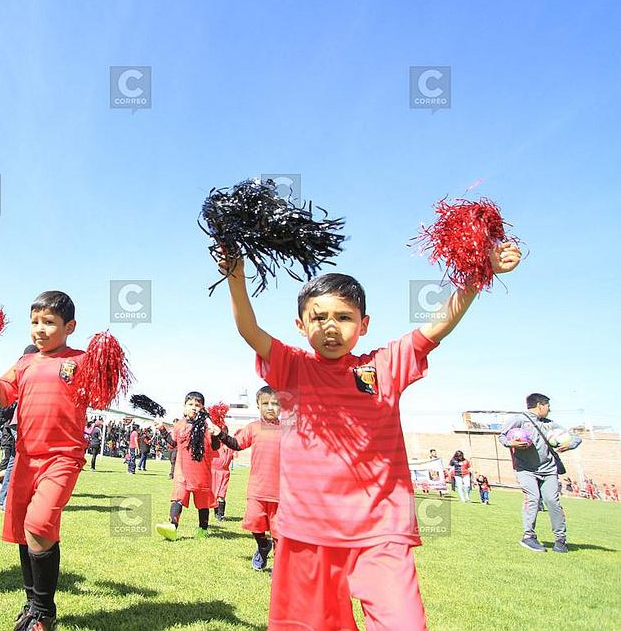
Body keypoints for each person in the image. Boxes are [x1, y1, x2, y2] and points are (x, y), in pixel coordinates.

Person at [219, 241, 521, 630]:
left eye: (344, 318)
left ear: (364, 325)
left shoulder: (385, 366)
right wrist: (235, 275)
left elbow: (437, 326)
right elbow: (249, 329)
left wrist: (480, 274)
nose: (331, 327)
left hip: (381, 531)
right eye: (319, 318)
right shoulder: (291, 367)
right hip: (307, 530)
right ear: (300, 325)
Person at [0, 291, 92, 631]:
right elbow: (2, 393)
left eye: (49, 322)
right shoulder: (25, 362)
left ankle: (44, 613)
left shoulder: (82, 360)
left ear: (70, 326)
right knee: (26, 531)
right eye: (34, 322)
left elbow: (103, 389)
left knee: (38, 524)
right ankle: (34, 605)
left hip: (62, 457)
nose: (40, 329)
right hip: (25, 457)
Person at [499, 393, 581, 553]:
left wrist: (569, 444)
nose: (549, 409)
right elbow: (502, 436)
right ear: (539, 405)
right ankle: (528, 536)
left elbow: (575, 437)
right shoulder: (519, 420)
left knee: (552, 501)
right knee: (533, 498)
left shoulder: (550, 424)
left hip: (549, 470)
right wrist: (511, 443)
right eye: (548, 406)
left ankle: (560, 539)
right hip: (525, 469)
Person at [216, 385, 281, 570]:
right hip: (258, 489)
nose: (270, 407)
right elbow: (236, 444)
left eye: (275, 403)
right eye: (266, 403)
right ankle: (262, 546)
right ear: (258, 406)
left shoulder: (289, 430)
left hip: (281, 493)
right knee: (255, 524)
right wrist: (219, 434)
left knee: (279, 533)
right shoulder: (254, 428)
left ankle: (280, 567)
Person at [155, 392, 222, 541]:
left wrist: (216, 433)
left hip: (201, 472)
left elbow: (216, 446)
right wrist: (162, 429)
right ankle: (172, 527)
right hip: (182, 470)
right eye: (190, 405)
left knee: (202, 503)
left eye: (197, 405)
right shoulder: (179, 425)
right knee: (178, 498)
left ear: (202, 408)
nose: (194, 408)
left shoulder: (207, 426)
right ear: (184, 407)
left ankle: (203, 530)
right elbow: (173, 443)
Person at [211, 426, 234, 522]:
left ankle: (221, 514)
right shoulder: (214, 443)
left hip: (224, 472)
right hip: (213, 472)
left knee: (222, 494)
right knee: (214, 493)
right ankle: (216, 513)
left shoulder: (230, 445)